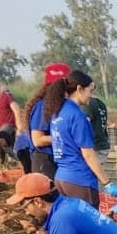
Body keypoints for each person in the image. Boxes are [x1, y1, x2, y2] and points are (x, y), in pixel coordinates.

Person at [47, 70, 110, 205]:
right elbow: (88, 155)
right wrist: (107, 182)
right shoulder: (78, 116)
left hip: (61, 179)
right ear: (79, 89)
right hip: (79, 180)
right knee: (89, 224)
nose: (91, 96)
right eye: (90, 91)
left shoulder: (58, 113)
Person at [25, 61, 71, 177]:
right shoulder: (43, 106)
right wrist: (65, 137)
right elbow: (38, 139)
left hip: (55, 159)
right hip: (44, 161)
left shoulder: (60, 105)